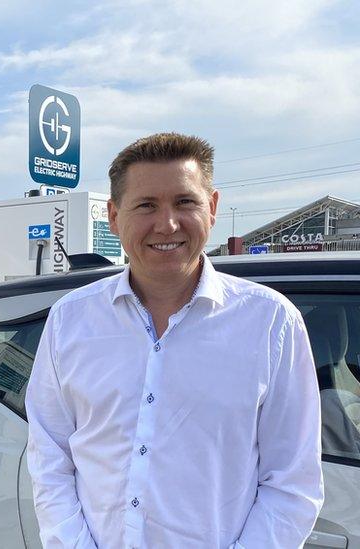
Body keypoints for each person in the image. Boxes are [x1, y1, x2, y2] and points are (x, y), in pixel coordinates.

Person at [25, 133, 323, 548]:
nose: (167, 224)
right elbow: (50, 459)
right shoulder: (70, 320)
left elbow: (292, 481)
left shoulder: (272, 323)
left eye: (185, 202)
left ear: (212, 208)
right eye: (146, 205)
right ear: (113, 216)